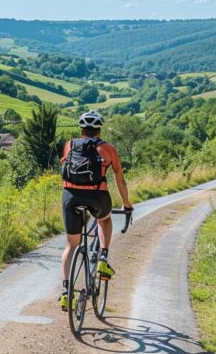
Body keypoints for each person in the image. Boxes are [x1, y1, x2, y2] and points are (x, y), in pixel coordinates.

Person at [59, 110, 133, 312]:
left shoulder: (69, 145)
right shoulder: (109, 149)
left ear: (81, 129)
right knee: (104, 220)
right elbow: (120, 180)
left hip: (70, 197)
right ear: (99, 130)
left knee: (71, 244)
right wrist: (127, 204)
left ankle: (65, 292)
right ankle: (103, 259)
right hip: (97, 196)